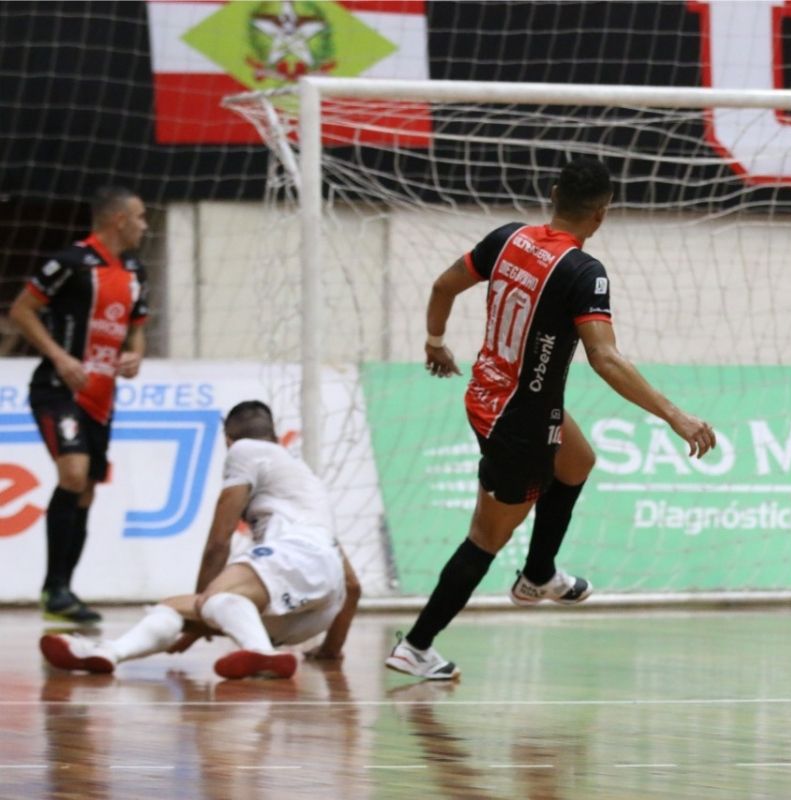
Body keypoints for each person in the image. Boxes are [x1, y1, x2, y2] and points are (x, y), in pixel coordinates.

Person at [385, 156, 716, 680]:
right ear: (602, 214)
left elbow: (443, 286)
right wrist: (675, 416)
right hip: (519, 421)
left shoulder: (508, 238)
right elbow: (604, 358)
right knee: (484, 538)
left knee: (578, 459)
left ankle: (539, 574)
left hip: (489, 393)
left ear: (554, 193)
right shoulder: (584, 273)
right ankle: (418, 645)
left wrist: (435, 342)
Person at [39, 400, 361, 679]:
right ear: (275, 436)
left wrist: (204, 604)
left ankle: (261, 652)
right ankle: (108, 652)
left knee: (213, 601)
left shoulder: (244, 450)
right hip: (316, 612)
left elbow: (218, 542)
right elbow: (352, 585)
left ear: (228, 438)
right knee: (172, 609)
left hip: (292, 564)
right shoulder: (306, 486)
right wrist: (331, 650)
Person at [7, 186, 149, 624]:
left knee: (86, 487)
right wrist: (60, 356)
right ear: (119, 220)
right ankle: (55, 587)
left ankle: (62, 590)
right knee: (72, 473)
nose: (146, 225)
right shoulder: (69, 263)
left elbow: (137, 327)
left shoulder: (133, 270)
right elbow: (21, 310)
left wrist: (135, 354)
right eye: (141, 217)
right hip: (57, 388)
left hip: (102, 397)